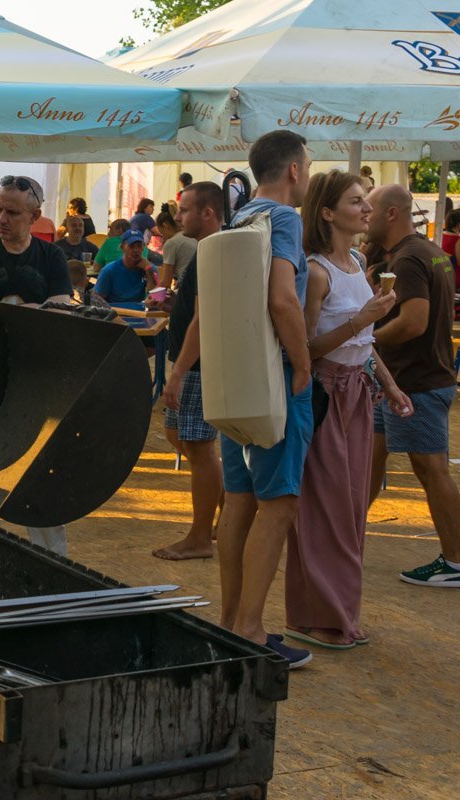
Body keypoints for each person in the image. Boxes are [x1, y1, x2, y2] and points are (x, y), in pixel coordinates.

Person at [284, 171, 408, 650]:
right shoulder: (316, 271)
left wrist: (391, 386)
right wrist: (363, 317)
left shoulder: (356, 261)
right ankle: (323, 619)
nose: (367, 209)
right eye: (356, 201)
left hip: (359, 393)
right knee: (327, 511)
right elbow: (306, 348)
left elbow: (366, 342)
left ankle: (333, 615)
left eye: (366, 201)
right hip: (327, 395)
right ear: (328, 212)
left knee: (353, 509)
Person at [215, 130, 315, 669]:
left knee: (239, 499)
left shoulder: (239, 216)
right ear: (294, 169)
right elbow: (283, 297)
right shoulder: (284, 219)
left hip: (234, 372)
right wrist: (303, 363)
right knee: (279, 503)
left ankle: (232, 621)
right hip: (275, 374)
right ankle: (251, 629)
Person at [367, 183, 460, 587]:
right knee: (369, 456)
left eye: (368, 209)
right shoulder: (431, 251)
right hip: (408, 380)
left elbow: (414, 321)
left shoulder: (407, 259)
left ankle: (456, 562)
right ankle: (344, 536)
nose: (363, 217)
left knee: (431, 470)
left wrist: (363, 340)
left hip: (416, 383)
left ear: (391, 213)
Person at [158, 182, 226, 562]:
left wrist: (179, 372)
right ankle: (227, 512)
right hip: (192, 360)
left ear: (208, 213)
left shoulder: (211, 250)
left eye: (184, 210)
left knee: (199, 449)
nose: (178, 217)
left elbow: (205, 319)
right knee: (177, 434)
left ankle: (200, 537)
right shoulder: (206, 250)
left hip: (197, 365)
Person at [0, 175, 73, 326]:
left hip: (34, 348)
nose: (1, 219)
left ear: (35, 216)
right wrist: (36, 309)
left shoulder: (53, 255)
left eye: (12, 213)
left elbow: (59, 315)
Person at [92, 230, 155, 309]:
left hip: (140, 313)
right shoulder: (109, 270)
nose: (136, 250)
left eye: (139, 246)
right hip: (116, 313)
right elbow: (96, 299)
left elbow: (155, 297)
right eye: (131, 246)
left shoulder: (148, 268)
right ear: (122, 247)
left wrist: (149, 271)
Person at [155, 206, 198, 289]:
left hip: (188, 287)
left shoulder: (171, 243)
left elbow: (166, 282)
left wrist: (153, 295)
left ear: (165, 226)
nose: (162, 237)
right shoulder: (191, 235)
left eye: (161, 232)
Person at [95, 217, 160, 269]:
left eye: (111, 229)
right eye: (132, 246)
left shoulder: (109, 242)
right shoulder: (141, 244)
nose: (136, 250)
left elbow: (96, 267)